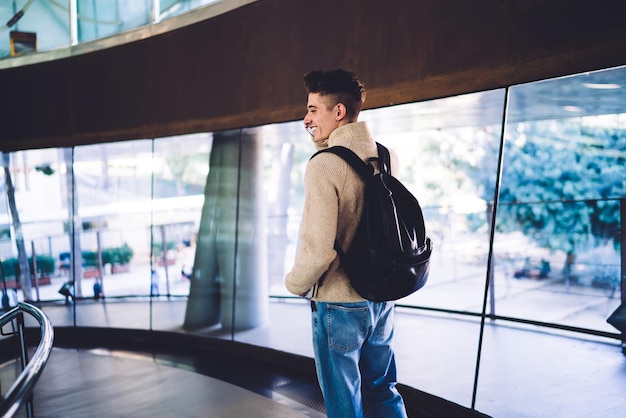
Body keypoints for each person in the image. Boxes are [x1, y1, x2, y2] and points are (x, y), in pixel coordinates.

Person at [285, 69, 407, 418]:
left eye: (313, 109)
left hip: (338, 304)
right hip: (381, 298)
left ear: (338, 112)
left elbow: (319, 250)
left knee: (343, 404)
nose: (306, 118)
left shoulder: (324, 165)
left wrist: (294, 283)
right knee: (383, 390)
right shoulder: (386, 157)